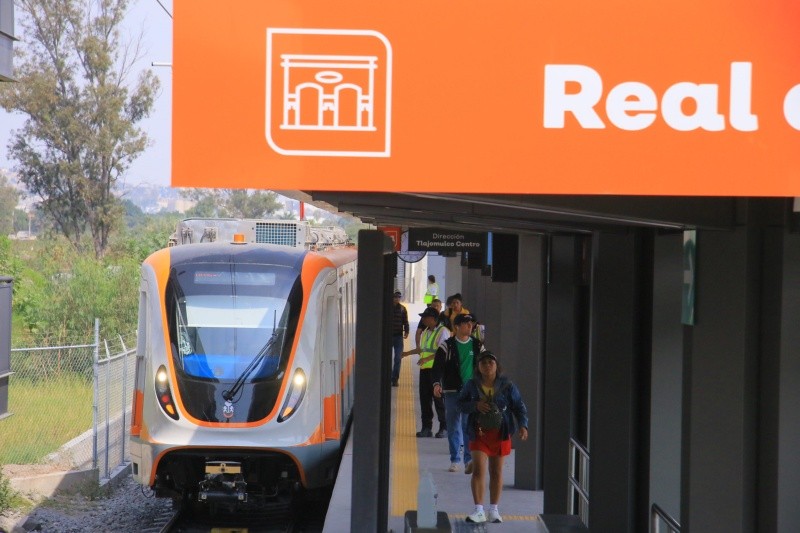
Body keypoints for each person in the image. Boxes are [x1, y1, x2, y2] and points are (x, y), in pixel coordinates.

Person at [457, 351, 528, 524]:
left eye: (491, 362)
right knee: (479, 470)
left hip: (501, 433)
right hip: (478, 433)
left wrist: (523, 425)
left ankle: (494, 510)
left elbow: (519, 406)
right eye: (483, 363)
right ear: (478, 367)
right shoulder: (471, 385)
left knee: (496, 471)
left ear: (497, 366)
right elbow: (460, 404)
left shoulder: (508, 386)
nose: (487, 366)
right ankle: (478, 510)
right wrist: (475, 405)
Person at [432, 313, 485, 473]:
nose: (470, 327)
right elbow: (437, 368)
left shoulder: (477, 346)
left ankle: (468, 460)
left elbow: (486, 364)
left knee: (468, 425)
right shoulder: (446, 346)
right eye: (466, 324)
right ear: (457, 326)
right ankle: (455, 459)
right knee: (453, 425)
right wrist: (436, 384)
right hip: (452, 391)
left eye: (471, 324)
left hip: (471, 393)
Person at [402, 307, 448, 438]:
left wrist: (427, 358)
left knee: (439, 399)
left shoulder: (442, 331)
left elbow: (443, 353)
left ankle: (444, 427)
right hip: (425, 370)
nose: (423, 319)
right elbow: (422, 349)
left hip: (437, 371)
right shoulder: (427, 331)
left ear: (433, 319)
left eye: (425, 317)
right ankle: (426, 428)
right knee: (425, 399)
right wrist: (406, 353)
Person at [390, 290, 409, 387]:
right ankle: (388, 377)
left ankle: (394, 379)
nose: (396, 299)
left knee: (398, 358)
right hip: (388, 337)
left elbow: (405, 321)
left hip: (398, 337)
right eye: (394, 297)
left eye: (398, 297)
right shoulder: (387, 308)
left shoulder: (403, 309)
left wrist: (407, 331)